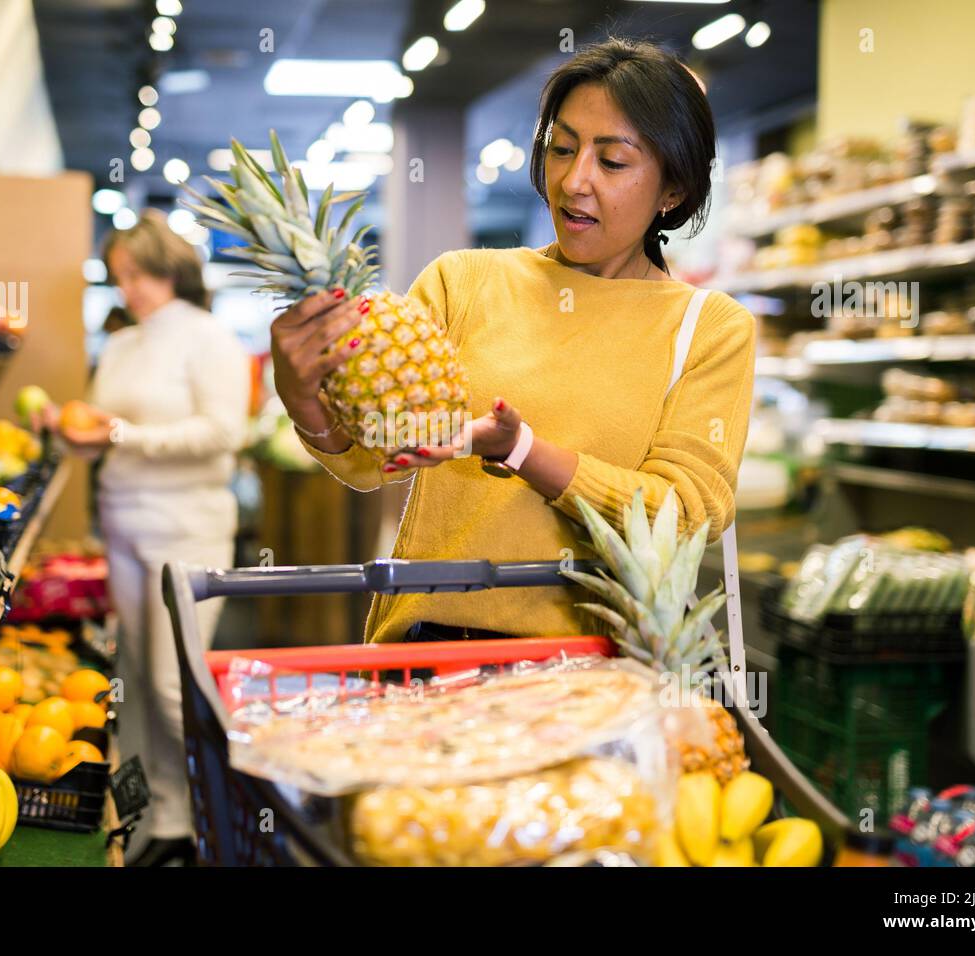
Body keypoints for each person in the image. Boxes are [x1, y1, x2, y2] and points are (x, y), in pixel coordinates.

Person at [274, 38, 756, 644]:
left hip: (594, 666)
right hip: (431, 646)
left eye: (612, 163)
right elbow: (374, 457)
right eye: (562, 148)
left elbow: (685, 514)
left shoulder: (709, 327)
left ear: (673, 190)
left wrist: (524, 452)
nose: (575, 181)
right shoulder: (464, 282)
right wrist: (303, 395)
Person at [61, 209, 250, 864]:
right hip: (123, 523)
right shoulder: (120, 344)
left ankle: (241, 814)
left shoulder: (208, 340)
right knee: (138, 681)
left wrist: (119, 434)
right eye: (120, 276)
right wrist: (74, 436)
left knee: (178, 689)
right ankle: (166, 823)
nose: (129, 288)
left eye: (138, 273)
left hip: (186, 532)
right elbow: (101, 433)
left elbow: (224, 434)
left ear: (170, 268)